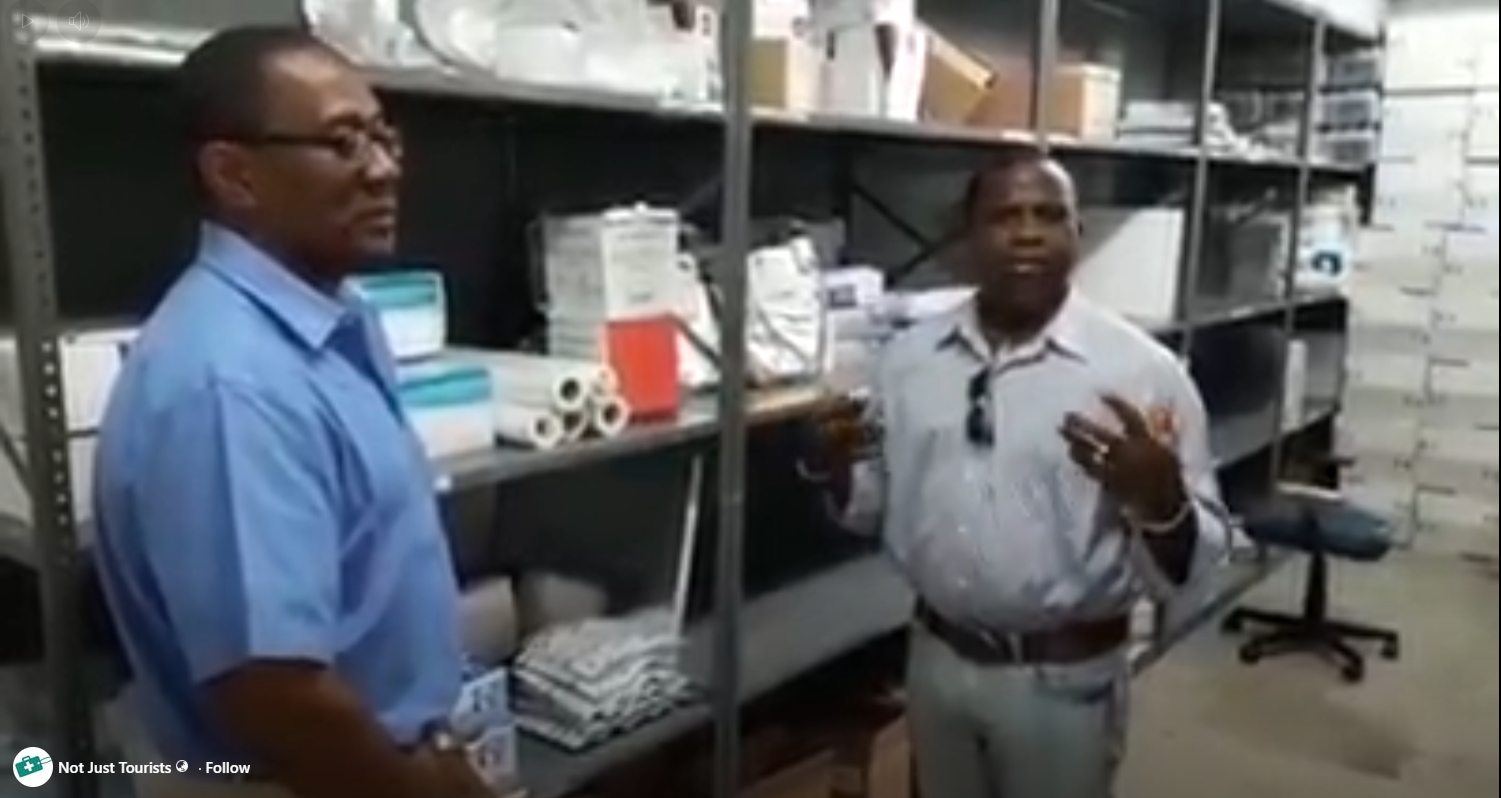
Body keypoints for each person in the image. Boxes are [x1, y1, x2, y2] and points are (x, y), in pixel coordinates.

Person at [91, 26, 490, 798]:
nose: (383, 169)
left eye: (383, 136)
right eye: (342, 143)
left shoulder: (333, 318)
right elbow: (274, 691)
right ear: (234, 175)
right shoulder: (230, 383)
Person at [807, 152, 1232, 798]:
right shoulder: (906, 362)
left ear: (1076, 234)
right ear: (966, 236)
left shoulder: (1141, 374)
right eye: (1005, 216)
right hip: (936, 663)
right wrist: (836, 467)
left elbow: (1202, 562)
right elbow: (868, 508)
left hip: (1061, 685)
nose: (1028, 233)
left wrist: (1164, 505)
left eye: (1049, 216)